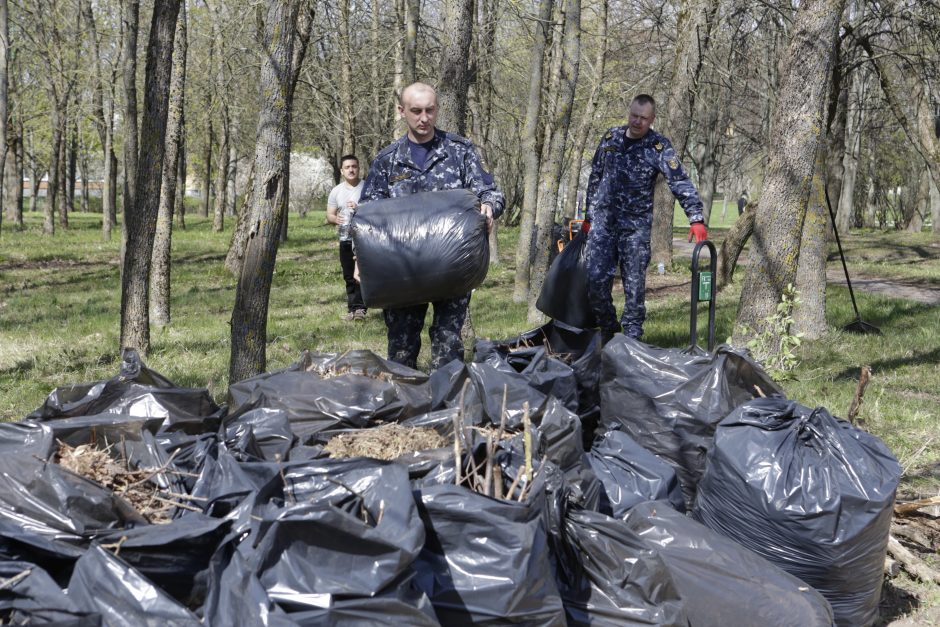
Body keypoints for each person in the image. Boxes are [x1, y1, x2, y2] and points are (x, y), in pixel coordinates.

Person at [358, 82, 503, 370]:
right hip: (402, 270)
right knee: (401, 348)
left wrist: (489, 208)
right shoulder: (387, 160)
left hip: (452, 268)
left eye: (430, 110)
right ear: (402, 111)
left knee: (448, 345)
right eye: (416, 111)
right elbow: (367, 219)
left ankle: (446, 408)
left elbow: (491, 192)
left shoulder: (459, 151)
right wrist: (359, 260)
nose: (424, 118)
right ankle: (405, 407)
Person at [584, 94, 707, 343]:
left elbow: (679, 180)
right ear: (629, 112)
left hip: (635, 228)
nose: (637, 122)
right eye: (634, 116)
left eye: (643, 118)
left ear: (651, 119)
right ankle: (609, 330)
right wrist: (588, 216)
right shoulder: (610, 138)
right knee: (594, 282)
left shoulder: (658, 146)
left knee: (634, 288)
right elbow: (595, 177)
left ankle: (632, 339)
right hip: (604, 224)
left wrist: (695, 217)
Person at [326, 154, 366, 322]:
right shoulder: (336, 191)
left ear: (358, 168)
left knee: (362, 274)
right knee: (349, 275)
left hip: (364, 238)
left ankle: (361, 308)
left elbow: (378, 211)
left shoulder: (367, 187)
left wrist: (360, 208)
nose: (351, 170)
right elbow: (329, 215)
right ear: (342, 171)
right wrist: (336, 219)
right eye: (347, 167)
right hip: (345, 239)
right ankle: (352, 309)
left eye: (354, 166)